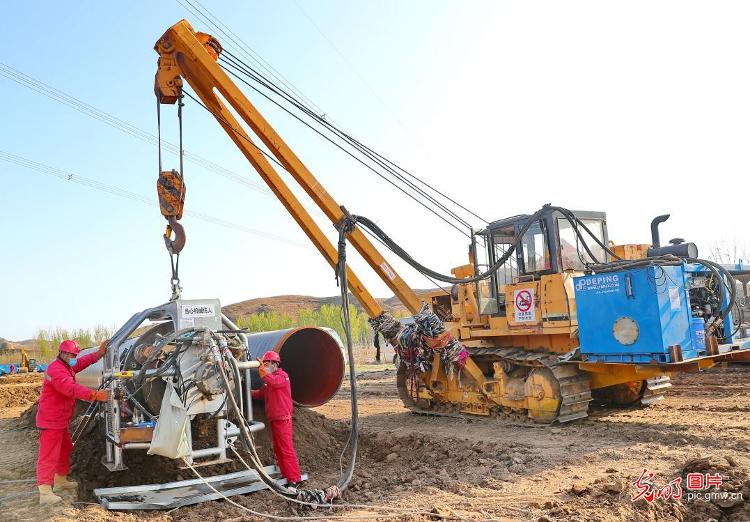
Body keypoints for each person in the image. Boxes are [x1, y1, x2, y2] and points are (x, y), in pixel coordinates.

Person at [36, 339, 110, 505]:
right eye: (69, 354)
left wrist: (98, 354)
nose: (72, 357)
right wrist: (96, 395)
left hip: (60, 419)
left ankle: (60, 480)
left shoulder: (67, 366)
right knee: (48, 455)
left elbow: (82, 362)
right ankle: (45, 492)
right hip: (51, 420)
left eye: (74, 355)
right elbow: (71, 389)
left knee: (65, 448)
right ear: (61, 353)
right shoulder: (56, 369)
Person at [251, 351, 302, 487]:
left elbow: (273, 382)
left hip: (282, 419)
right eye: (264, 365)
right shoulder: (270, 381)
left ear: (275, 364)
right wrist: (244, 391)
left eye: (267, 364)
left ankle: (295, 479)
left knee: (286, 448)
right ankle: (286, 474)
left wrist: (263, 372)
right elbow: (260, 393)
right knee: (279, 448)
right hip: (274, 418)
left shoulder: (282, 377)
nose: (265, 367)